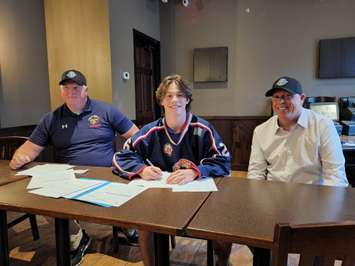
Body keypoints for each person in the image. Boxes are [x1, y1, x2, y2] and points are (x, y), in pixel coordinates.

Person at [9, 69, 139, 266]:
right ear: (61, 91)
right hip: (68, 177)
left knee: (133, 184)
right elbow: (29, 148)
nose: (71, 91)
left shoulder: (106, 110)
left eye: (76, 87)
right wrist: (19, 157)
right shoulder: (51, 119)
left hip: (108, 172)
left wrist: (135, 160)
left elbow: (137, 137)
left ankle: (128, 227)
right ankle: (78, 238)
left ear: (85, 89)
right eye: (66, 88)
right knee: (40, 197)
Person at [113, 74, 232, 266]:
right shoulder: (150, 131)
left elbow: (224, 161)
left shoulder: (203, 129)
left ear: (187, 99)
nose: (174, 100)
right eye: (168, 95)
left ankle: (221, 262)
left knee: (223, 223)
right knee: (146, 227)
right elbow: (121, 156)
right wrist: (141, 169)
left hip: (199, 196)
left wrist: (196, 171)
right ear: (161, 100)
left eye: (179, 95)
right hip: (162, 196)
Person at [247, 76, 348, 265]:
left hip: (312, 204)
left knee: (319, 249)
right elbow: (255, 174)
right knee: (252, 235)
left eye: (287, 96)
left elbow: (335, 175)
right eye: (276, 97)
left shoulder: (323, 125)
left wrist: (325, 216)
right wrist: (257, 207)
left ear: (301, 98)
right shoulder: (261, 131)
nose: (280, 102)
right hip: (273, 204)